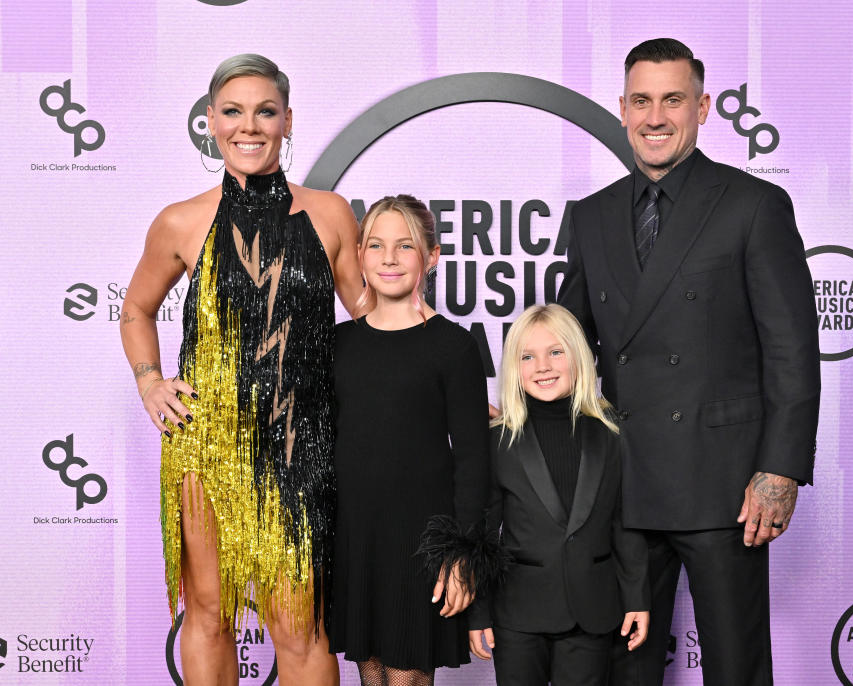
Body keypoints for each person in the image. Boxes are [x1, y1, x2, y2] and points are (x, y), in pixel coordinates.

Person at [557, 38, 820, 685]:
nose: (655, 116)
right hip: (624, 487)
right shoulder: (590, 218)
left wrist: (779, 470)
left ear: (702, 107)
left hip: (725, 487)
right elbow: (569, 344)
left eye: (672, 99)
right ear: (621, 109)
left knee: (736, 666)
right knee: (627, 669)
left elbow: (791, 350)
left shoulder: (752, 207)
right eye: (641, 101)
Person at [119, 54, 363, 685]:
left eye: (264, 111)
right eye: (232, 112)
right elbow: (136, 311)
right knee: (207, 610)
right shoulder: (180, 220)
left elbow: (374, 321)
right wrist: (150, 382)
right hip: (207, 441)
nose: (248, 126)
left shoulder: (331, 214)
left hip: (300, 443)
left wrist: (447, 390)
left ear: (287, 121)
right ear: (210, 122)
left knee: (297, 623)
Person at [331, 195, 501, 686]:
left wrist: (463, 554)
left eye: (405, 246)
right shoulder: (341, 344)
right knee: (371, 675)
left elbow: (472, 462)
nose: (388, 258)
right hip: (357, 539)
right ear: (359, 254)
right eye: (377, 245)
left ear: (431, 257)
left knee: (405, 676)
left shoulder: (453, 345)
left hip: (423, 542)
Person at [468, 304, 650, 686]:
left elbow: (624, 523)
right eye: (527, 357)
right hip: (518, 612)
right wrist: (478, 613)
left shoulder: (612, 434)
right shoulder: (498, 439)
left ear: (578, 357)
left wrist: (636, 598)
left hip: (592, 610)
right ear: (514, 368)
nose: (543, 366)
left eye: (555, 352)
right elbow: (483, 534)